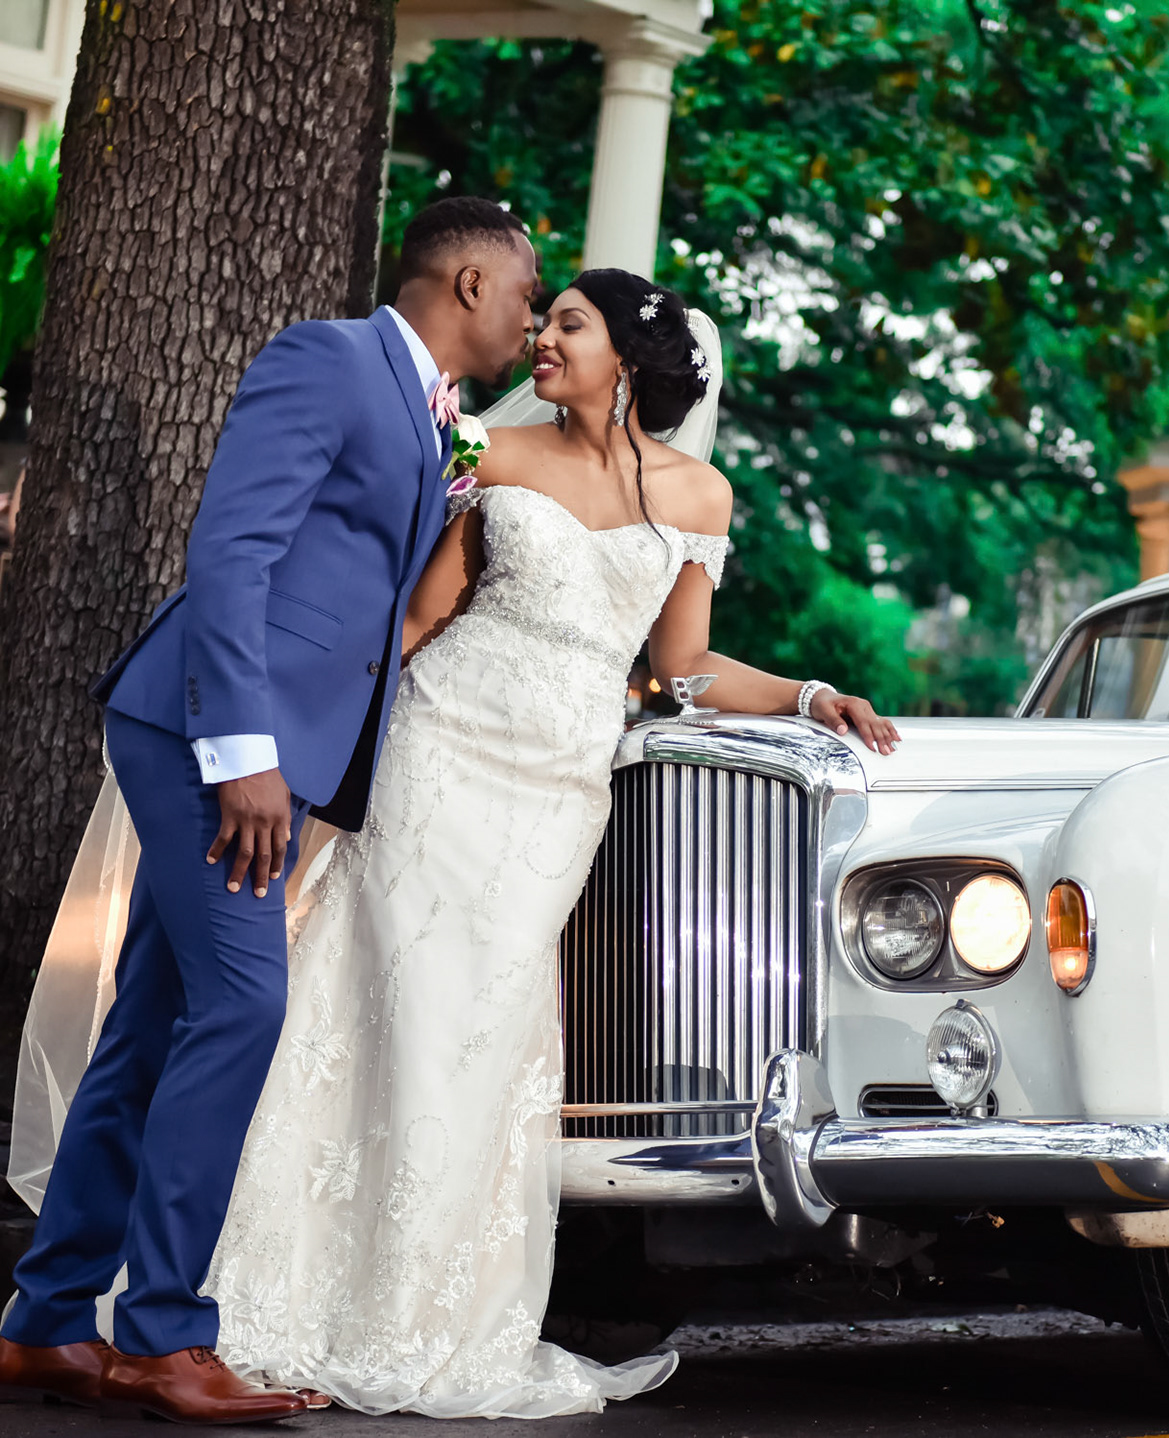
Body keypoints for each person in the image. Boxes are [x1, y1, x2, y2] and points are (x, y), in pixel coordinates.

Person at [198, 268, 897, 1418]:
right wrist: (311, 756)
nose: (542, 337)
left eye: (568, 323)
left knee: (479, 1030)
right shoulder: (492, 456)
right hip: (440, 754)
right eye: (544, 316)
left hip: (554, 794)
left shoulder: (700, 496)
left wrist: (809, 693)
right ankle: (280, 1303)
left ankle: (420, 1315)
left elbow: (681, 669)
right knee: (382, 1005)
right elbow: (420, 620)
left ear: (625, 354)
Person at [0, 196, 539, 1423]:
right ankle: (161, 1335)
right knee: (244, 1003)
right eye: (522, 289)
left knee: (155, 1021)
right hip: (211, 735)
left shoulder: (427, 411)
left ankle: (43, 1321)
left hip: (275, 753)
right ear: (464, 284)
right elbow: (233, 553)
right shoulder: (327, 358)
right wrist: (243, 754)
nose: (528, 312)